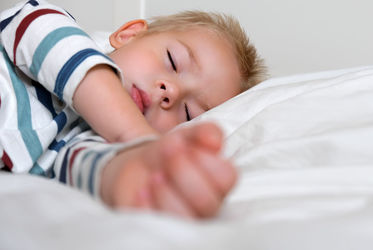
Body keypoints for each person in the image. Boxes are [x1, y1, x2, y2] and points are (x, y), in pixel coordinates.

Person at [0, 0, 267, 218]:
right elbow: (44, 34)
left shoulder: (82, 142)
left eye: (188, 113)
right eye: (173, 62)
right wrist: (138, 137)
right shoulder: (49, 30)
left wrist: (137, 172)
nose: (170, 91)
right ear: (128, 35)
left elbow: (94, 168)